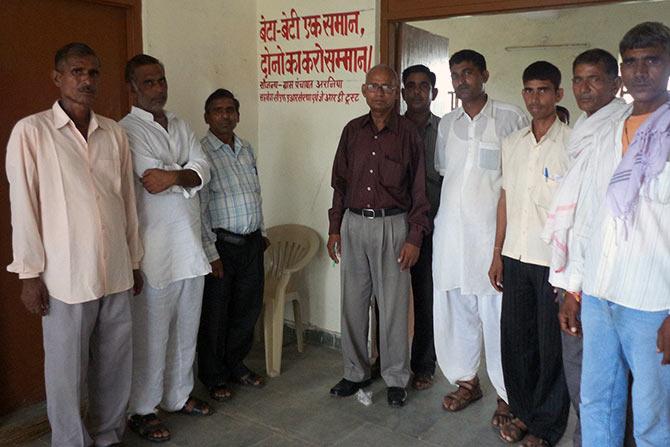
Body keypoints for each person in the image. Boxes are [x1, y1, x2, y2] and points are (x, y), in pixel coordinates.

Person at [5, 42, 143, 447]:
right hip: (65, 276)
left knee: (116, 364)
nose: (86, 81)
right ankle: (70, 441)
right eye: (77, 72)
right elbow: (24, 208)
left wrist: (133, 259)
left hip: (115, 268)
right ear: (58, 78)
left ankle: (108, 435)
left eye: (93, 73)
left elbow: (127, 203)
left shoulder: (114, 133)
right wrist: (29, 275)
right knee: (66, 371)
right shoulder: (32, 133)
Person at [549, 22, 670, 446]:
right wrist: (574, 290)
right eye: (632, 62)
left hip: (653, 303)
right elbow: (588, 221)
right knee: (597, 401)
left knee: (655, 420)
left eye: (652, 60)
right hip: (600, 295)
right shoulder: (606, 135)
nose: (641, 72)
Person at [120, 54, 213, 442]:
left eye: (161, 80)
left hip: (190, 246)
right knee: (151, 335)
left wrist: (176, 173)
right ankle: (143, 408)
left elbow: (204, 167)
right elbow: (149, 178)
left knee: (186, 330)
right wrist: (185, 173)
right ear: (133, 88)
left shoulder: (180, 123)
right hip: (155, 249)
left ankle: (178, 396)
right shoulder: (126, 131)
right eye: (149, 83)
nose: (158, 88)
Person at [432, 49, 527, 428]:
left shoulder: (509, 117)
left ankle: (507, 394)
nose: (461, 80)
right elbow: (445, 171)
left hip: (491, 239)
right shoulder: (447, 123)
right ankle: (466, 381)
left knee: (497, 316)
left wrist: (502, 247)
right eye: (455, 74)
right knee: (455, 309)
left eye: (468, 72)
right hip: (451, 237)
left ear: (484, 75)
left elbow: (515, 182)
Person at [327, 64, 431, 407]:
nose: (380, 92)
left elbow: (419, 191)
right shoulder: (351, 131)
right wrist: (334, 228)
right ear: (364, 90)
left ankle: (397, 377)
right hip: (354, 225)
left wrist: (414, 236)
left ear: (395, 93)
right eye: (374, 86)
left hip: (394, 226)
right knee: (353, 304)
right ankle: (354, 371)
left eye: (387, 87)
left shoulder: (408, 135)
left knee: (394, 307)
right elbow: (339, 184)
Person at [541, 48, 628, 447]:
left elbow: (595, 219)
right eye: (578, 79)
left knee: (592, 375)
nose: (584, 87)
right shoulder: (586, 127)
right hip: (579, 273)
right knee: (590, 375)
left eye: (595, 79)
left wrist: (573, 289)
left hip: (597, 279)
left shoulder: (618, 131)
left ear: (616, 82)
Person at [492, 61, 571, 447]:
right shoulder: (513, 143)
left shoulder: (572, 144)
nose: (534, 98)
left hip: (552, 263)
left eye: (543, 90)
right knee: (516, 341)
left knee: (549, 346)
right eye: (529, 90)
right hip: (515, 257)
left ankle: (547, 426)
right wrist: (496, 254)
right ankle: (523, 412)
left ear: (558, 94)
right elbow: (505, 200)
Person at [197, 88, 268, 401]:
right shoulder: (200, 154)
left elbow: (255, 193)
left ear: (238, 115)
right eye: (217, 110)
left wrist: (261, 233)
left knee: (247, 310)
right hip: (221, 247)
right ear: (207, 117)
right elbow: (199, 208)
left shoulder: (246, 148)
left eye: (230, 110)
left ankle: (236, 364)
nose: (225, 115)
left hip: (251, 244)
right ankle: (213, 376)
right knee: (216, 315)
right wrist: (210, 253)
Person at [400, 64, 440, 390]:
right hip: (393, 228)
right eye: (410, 86)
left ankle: (424, 364)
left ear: (433, 93)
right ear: (402, 92)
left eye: (423, 86)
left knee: (425, 298)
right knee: (387, 298)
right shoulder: (390, 130)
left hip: (432, 228)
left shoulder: (445, 131)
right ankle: (386, 360)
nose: (416, 91)